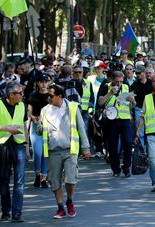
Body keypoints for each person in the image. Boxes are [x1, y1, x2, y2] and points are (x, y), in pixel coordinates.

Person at [39, 84, 91, 219]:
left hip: (70, 149)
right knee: (54, 181)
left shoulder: (72, 108)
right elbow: (40, 130)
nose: (48, 98)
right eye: (48, 95)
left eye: (51, 95)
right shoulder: (45, 110)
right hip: (53, 151)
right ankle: (60, 207)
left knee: (71, 178)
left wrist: (86, 148)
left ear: (59, 96)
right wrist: (38, 125)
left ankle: (70, 200)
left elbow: (81, 128)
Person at [0, 81, 31, 222]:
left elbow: (25, 126)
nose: (22, 96)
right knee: (4, 180)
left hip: (19, 144)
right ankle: (5, 211)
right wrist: (7, 129)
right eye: (20, 93)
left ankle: (17, 213)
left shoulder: (22, 106)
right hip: (2, 146)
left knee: (19, 181)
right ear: (11, 95)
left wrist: (27, 146)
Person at [97, 71, 136, 177]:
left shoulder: (126, 86)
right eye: (117, 81)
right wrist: (110, 93)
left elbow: (133, 105)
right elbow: (100, 102)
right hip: (111, 119)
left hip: (125, 118)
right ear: (112, 80)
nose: (119, 84)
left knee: (128, 143)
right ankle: (115, 169)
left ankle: (127, 167)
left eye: (120, 81)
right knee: (113, 145)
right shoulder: (106, 86)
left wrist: (132, 101)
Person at [28, 74, 51, 188]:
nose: (43, 84)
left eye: (45, 81)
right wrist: (33, 118)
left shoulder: (51, 95)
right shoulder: (33, 95)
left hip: (49, 127)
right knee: (38, 152)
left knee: (46, 153)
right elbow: (29, 111)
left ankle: (44, 178)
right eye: (41, 82)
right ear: (37, 83)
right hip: (36, 126)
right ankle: (38, 173)